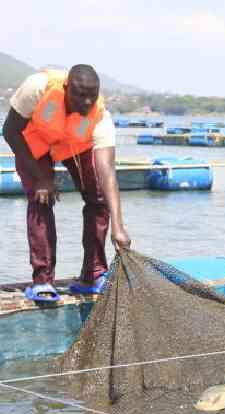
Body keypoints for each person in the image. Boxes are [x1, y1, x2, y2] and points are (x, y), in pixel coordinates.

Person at [2, 65, 131, 302]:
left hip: (73, 145)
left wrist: (118, 226)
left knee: (98, 197)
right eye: (80, 94)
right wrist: (41, 178)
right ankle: (43, 281)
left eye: (92, 95)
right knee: (42, 195)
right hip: (34, 143)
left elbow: (107, 171)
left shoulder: (100, 117)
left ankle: (92, 276)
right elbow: (9, 131)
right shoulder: (38, 87)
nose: (87, 101)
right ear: (66, 88)